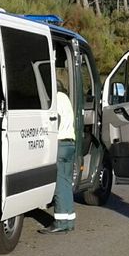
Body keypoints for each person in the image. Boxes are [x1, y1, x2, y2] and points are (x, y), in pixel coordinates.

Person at [39, 81, 77, 234]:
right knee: (66, 183)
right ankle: (69, 220)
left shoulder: (56, 100)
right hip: (70, 143)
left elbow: (56, 121)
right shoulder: (66, 99)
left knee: (59, 186)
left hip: (59, 144)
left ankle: (60, 222)